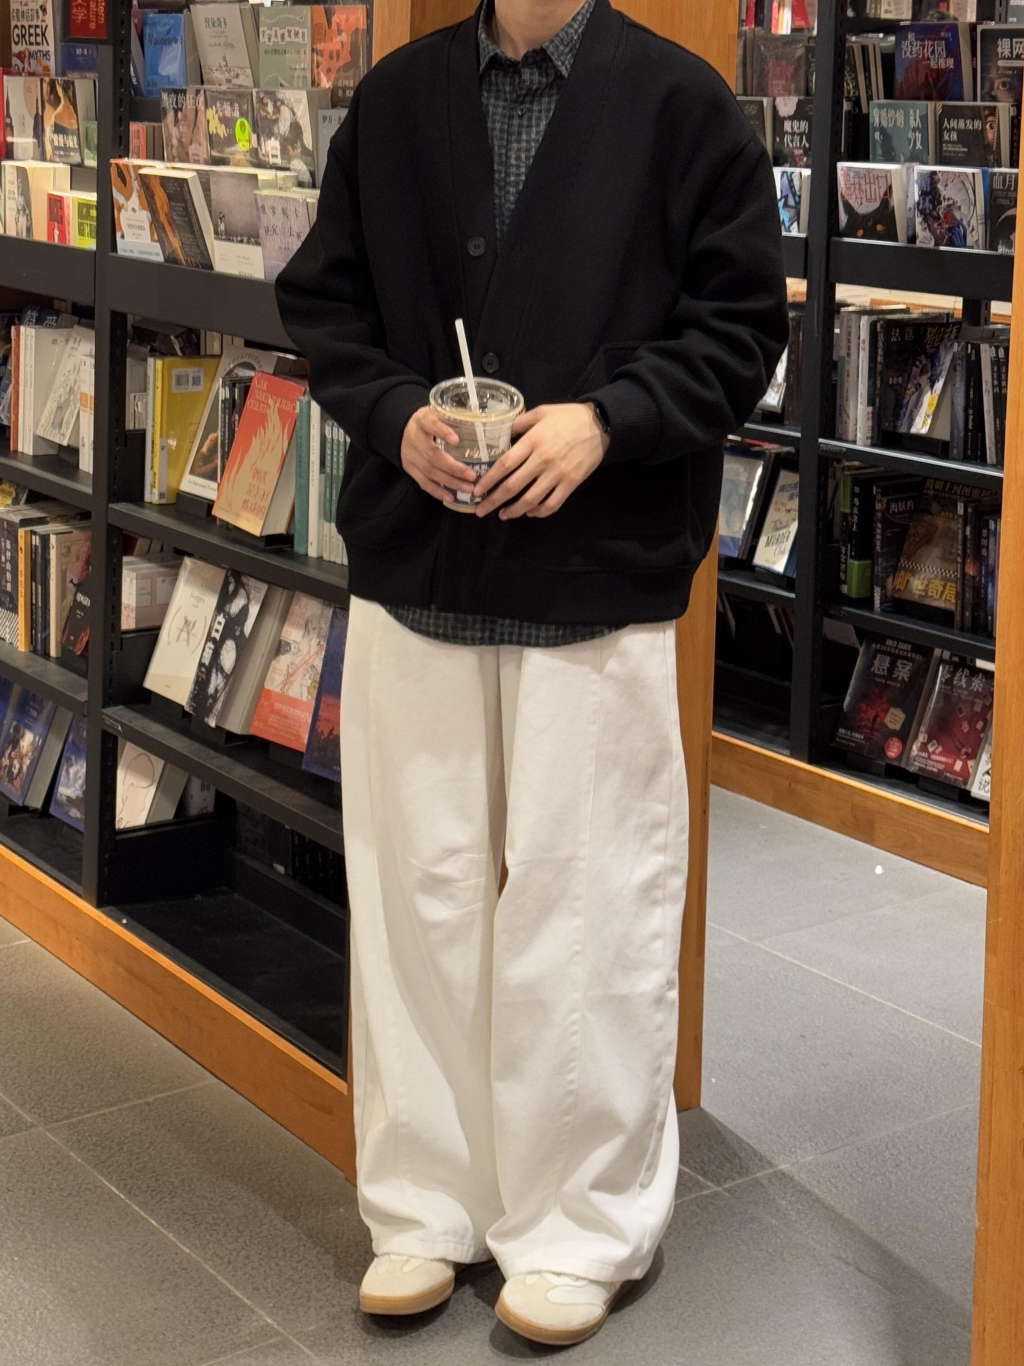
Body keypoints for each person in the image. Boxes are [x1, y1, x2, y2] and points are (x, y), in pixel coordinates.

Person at [276, 0, 788, 1347]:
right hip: (419, 564)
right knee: (418, 893)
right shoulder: (396, 100)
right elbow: (325, 304)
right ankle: (423, 1205)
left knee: (592, 899)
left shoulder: (682, 105)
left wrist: (607, 423)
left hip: (596, 575)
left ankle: (580, 1223)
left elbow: (743, 330)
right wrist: (396, 415)